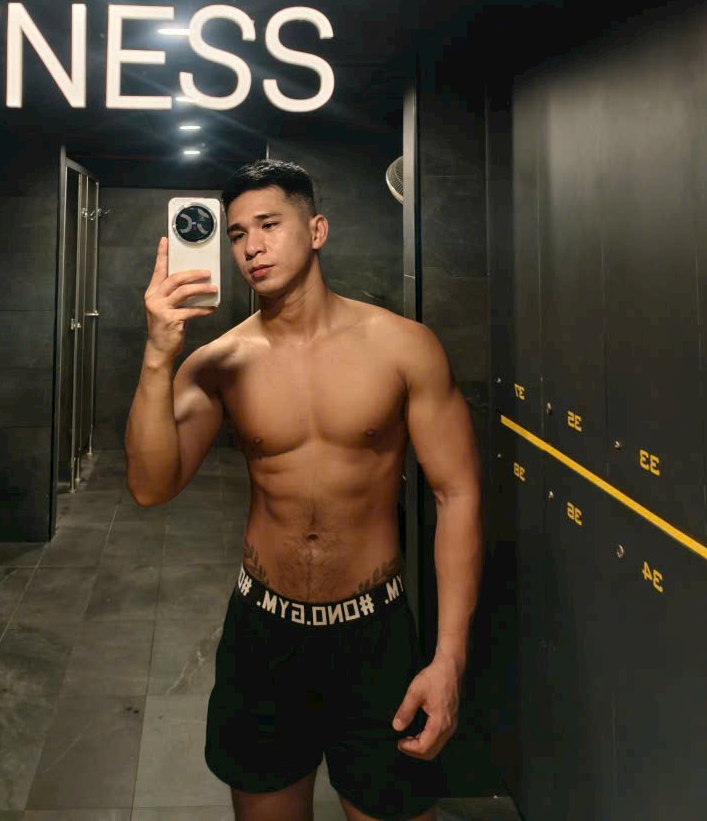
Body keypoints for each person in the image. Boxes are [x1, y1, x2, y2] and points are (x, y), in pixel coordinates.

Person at [124, 160, 484, 821]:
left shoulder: (403, 348)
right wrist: (157, 354)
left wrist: (448, 660)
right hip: (264, 633)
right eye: (237, 234)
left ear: (316, 230)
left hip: (373, 633)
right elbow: (150, 487)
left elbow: (456, 496)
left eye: (269, 225)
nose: (252, 247)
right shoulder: (219, 363)